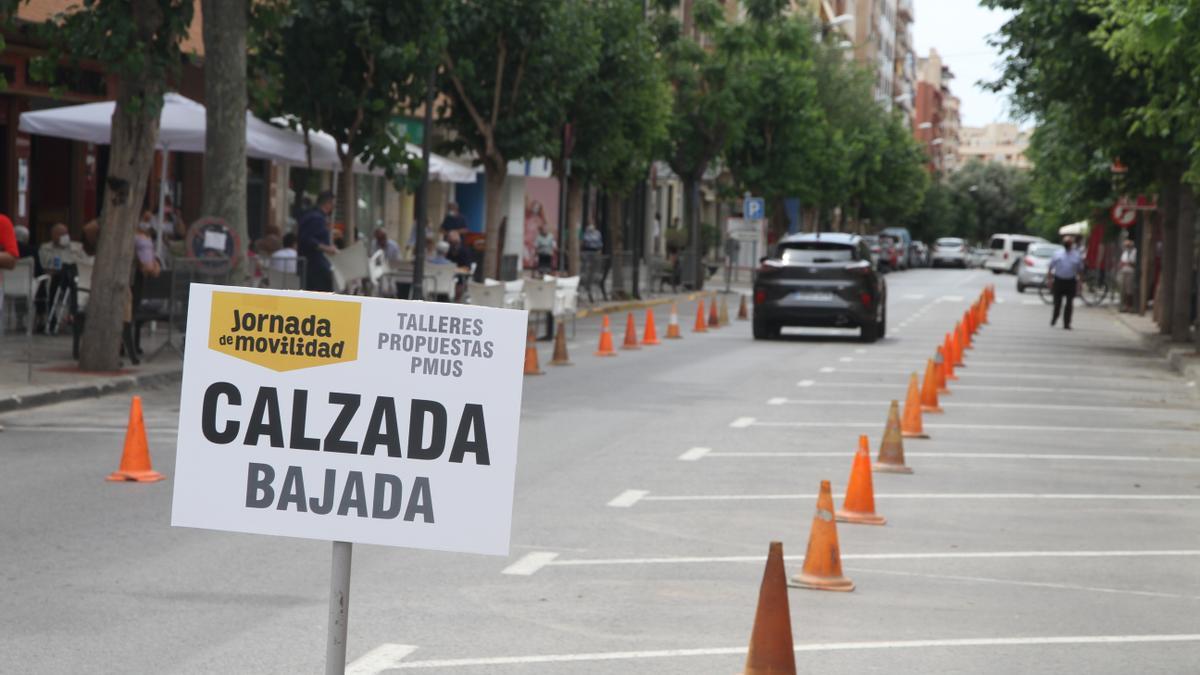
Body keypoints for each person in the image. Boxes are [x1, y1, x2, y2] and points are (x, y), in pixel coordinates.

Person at [297, 190, 338, 292]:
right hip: (316, 266)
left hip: (312, 266)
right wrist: (328, 248)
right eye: (333, 204)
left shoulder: (311, 215)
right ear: (328, 204)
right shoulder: (317, 218)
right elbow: (307, 239)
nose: (333, 208)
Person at [1048, 235, 1084, 330]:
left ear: (1071, 244)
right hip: (1059, 281)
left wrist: (1080, 284)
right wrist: (1050, 280)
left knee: (1069, 304)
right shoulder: (1057, 254)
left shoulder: (1076, 255)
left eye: (1069, 242)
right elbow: (1050, 267)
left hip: (1070, 281)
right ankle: (1055, 317)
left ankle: (1066, 323)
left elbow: (1080, 270)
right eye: (1066, 242)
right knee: (1057, 303)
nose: (1067, 244)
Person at [1117, 237, 1137, 312]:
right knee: (1123, 289)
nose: (1127, 246)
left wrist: (1128, 263)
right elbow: (1122, 262)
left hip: (1130, 272)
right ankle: (1124, 306)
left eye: (1128, 245)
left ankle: (1130, 306)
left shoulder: (1135, 252)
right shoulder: (1125, 252)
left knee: (1129, 290)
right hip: (1123, 271)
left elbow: (1134, 263)